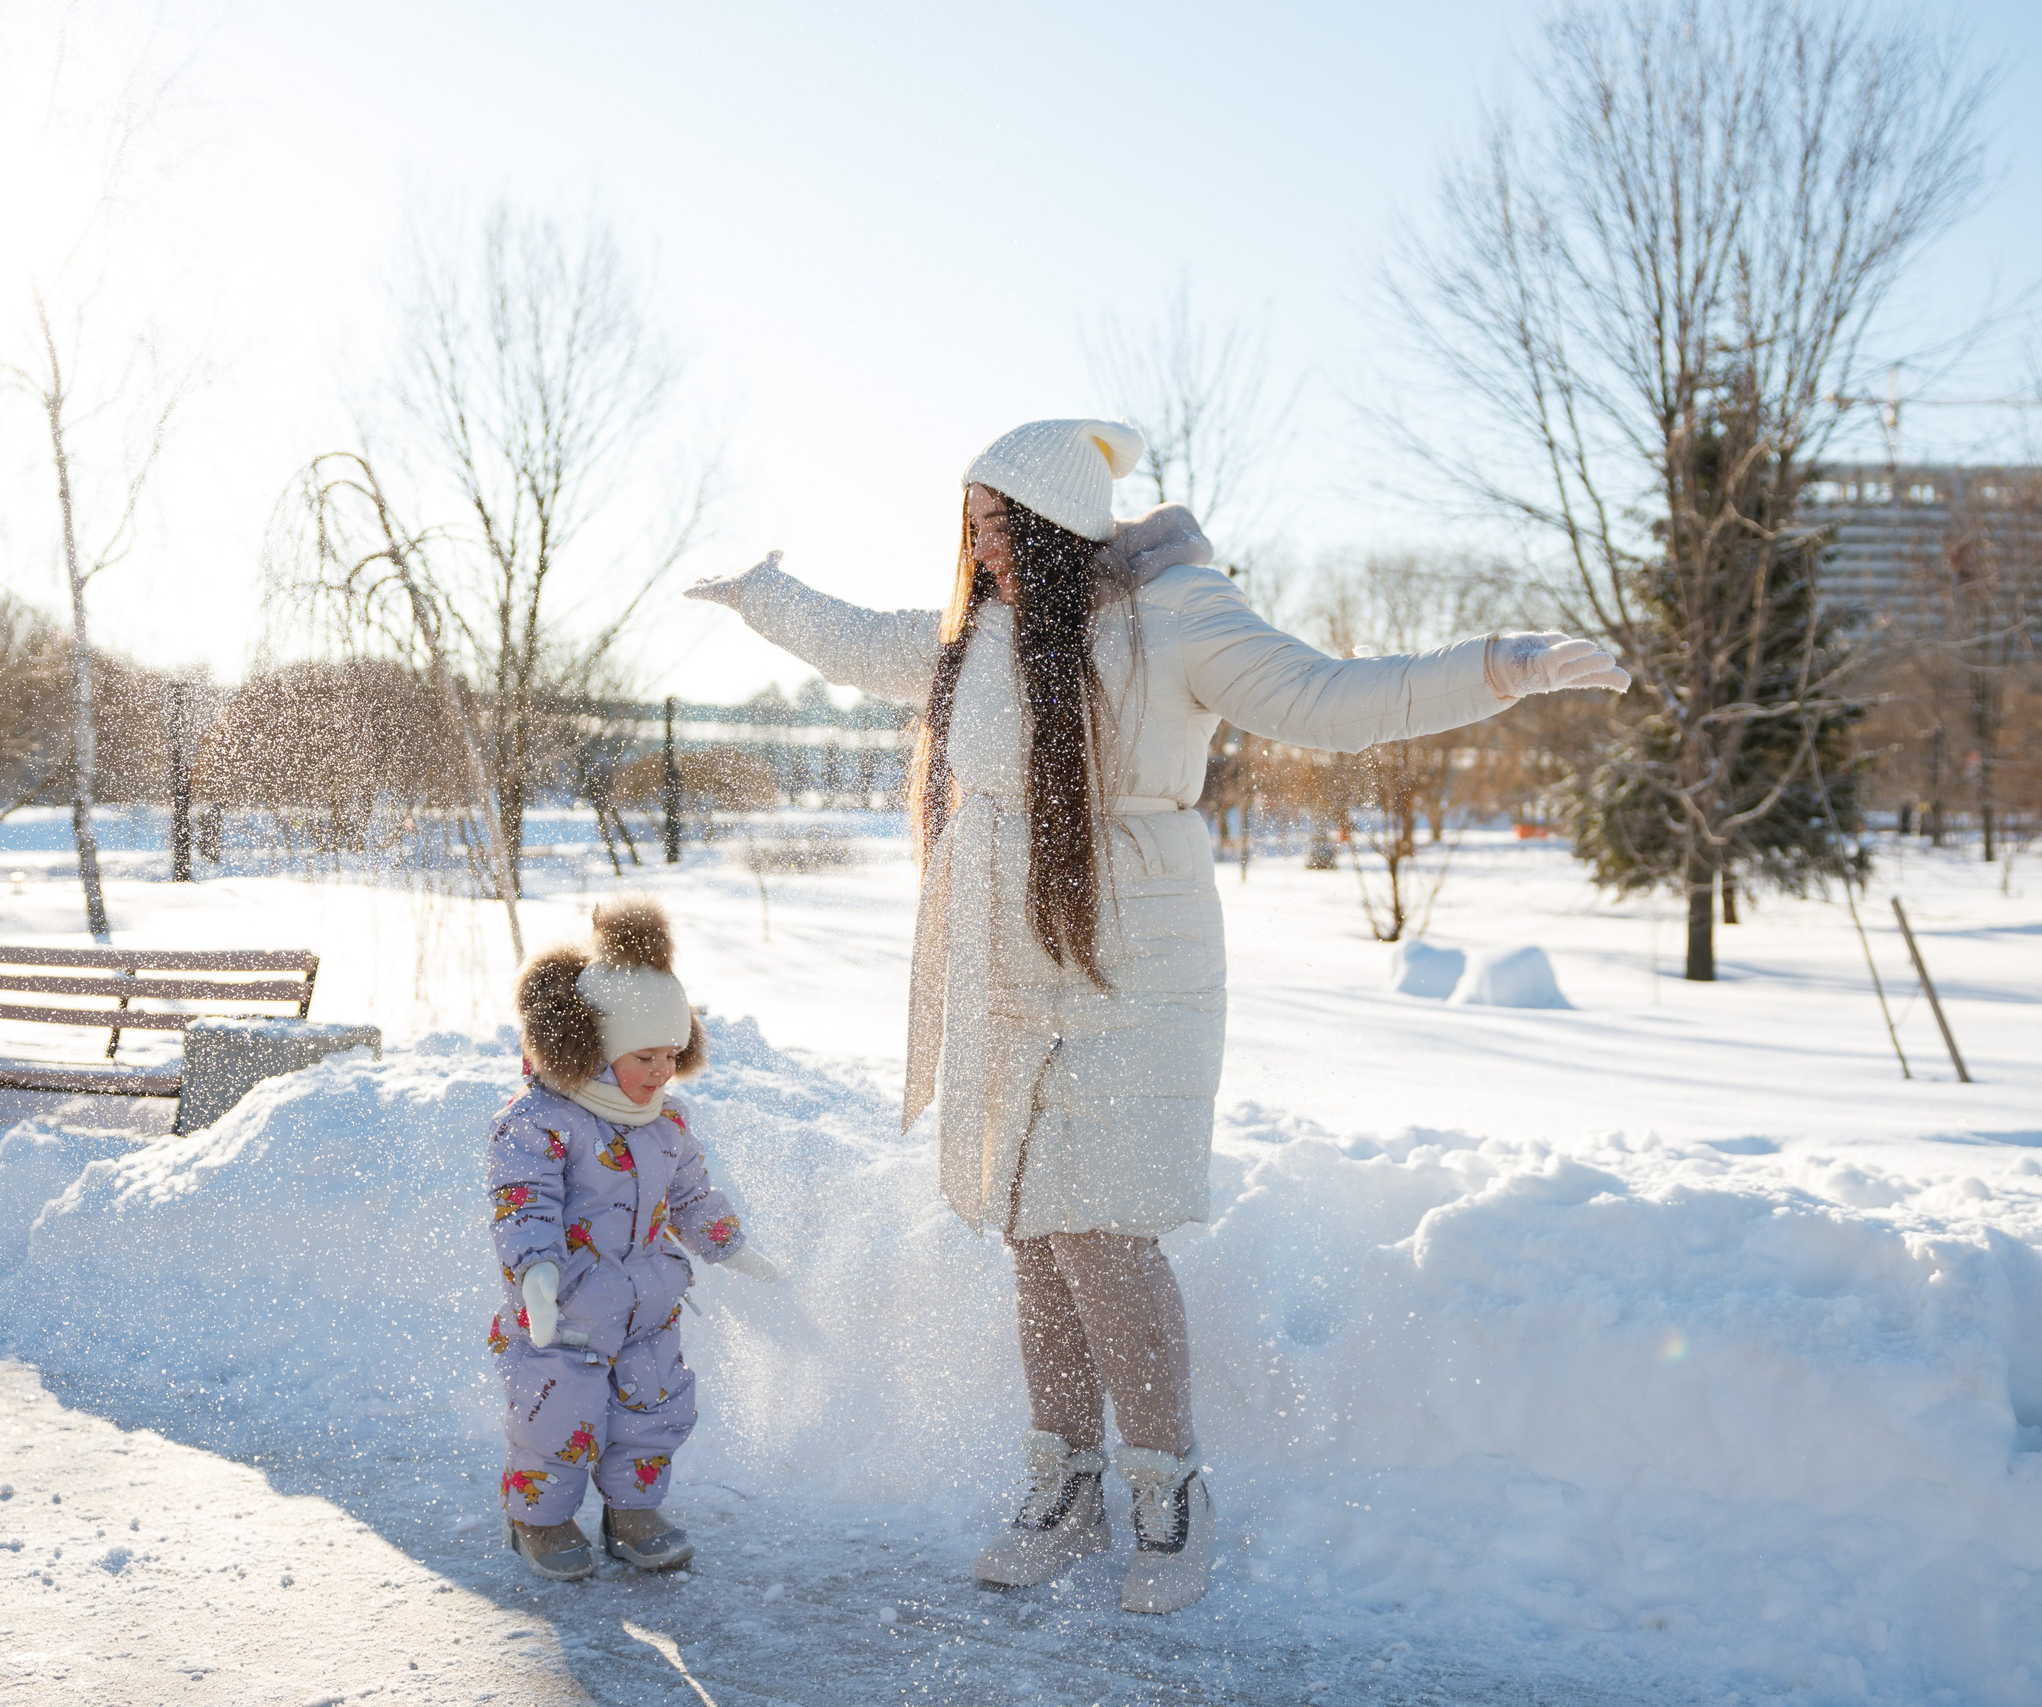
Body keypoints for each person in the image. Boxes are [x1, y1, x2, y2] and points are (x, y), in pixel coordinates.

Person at [686, 417, 1628, 1614]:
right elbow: (864, 641)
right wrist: (766, 596)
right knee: (1033, 1229)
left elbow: (1331, 698)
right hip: (1007, 952)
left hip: (1134, 955)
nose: (982, 550)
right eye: (970, 528)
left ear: (1058, 521)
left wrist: (1502, 665)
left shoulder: (1175, 614)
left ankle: (1168, 1494)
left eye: (1000, 526)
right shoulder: (982, 633)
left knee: (1105, 1232)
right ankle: (1064, 1487)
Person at [490, 895, 783, 1581]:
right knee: (557, 1415)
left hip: (649, 1299)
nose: (660, 1071)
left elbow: (690, 1195)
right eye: (644, 1055)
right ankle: (539, 1518)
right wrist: (536, 1274)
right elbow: (524, 1201)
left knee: (652, 1407)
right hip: (565, 1306)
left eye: (672, 1055)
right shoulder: (539, 1121)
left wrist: (731, 1246)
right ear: (595, 1050)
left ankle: (633, 1513)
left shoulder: (665, 1122)